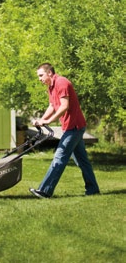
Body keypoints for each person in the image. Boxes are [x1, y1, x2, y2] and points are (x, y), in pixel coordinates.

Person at [29, 62, 100, 198]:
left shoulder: (62, 82)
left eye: (41, 75)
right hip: (71, 127)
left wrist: (49, 121)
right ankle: (93, 189)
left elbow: (64, 106)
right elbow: (52, 105)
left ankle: (45, 191)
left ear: (49, 72)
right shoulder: (50, 87)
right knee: (82, 161)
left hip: (74, 127)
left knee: (59, 157)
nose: (39, 79)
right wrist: (41, 120)